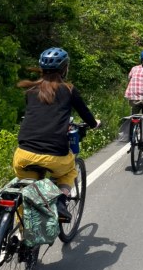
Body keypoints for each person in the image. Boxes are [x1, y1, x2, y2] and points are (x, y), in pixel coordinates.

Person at [13, 47, 100, 221]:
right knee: (69, 170)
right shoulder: (68, 90)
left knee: (26, 193)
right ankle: (61, 200)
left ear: (42, 69)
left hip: (23, 155)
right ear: (64, 69)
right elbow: (85, 114)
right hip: (55, 157)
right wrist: (94, 123)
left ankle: (18, 237)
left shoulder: (30, 91)